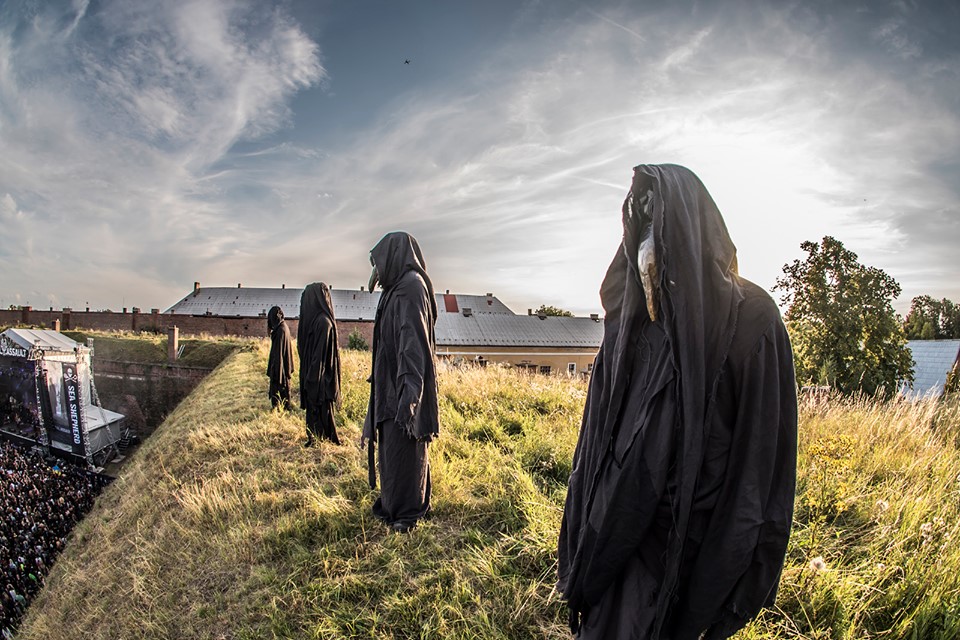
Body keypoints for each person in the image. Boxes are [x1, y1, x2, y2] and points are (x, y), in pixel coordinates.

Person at [557, 164, 798, 639]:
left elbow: (762, 462)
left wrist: (738, 564)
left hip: (687, 538)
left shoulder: (752, 321)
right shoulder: (632, 315)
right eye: (641, 219)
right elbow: (599, 426)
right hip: (621, 521)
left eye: (660, 221)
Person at [361, 231, 439, 533]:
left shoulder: (411, 288)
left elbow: (413, 343)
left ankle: (408, 512)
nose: (377, 272)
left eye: (379, 262)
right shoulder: (397, 288)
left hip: (405, 385)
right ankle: (393, 504)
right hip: (391, 383)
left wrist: (410, 394)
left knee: (406, 447)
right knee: (392, 448)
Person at [297, 282, 342, 446]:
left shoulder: (323, 323)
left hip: (320, 379)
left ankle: (321, 439)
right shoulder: (318, 321)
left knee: (321, 410)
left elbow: (319, 357)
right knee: (316, 411)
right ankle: (315, 438)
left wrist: (312, 379)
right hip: (316, 376)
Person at [266, 306, 294, 410]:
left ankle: (280, 409)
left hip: (280, 367)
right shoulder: (283, 327)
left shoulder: (280, 331)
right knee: (283, 388)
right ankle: (283, 408)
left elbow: (278, 354)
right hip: (283, 366)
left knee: (280, 388)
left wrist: (275, 372)